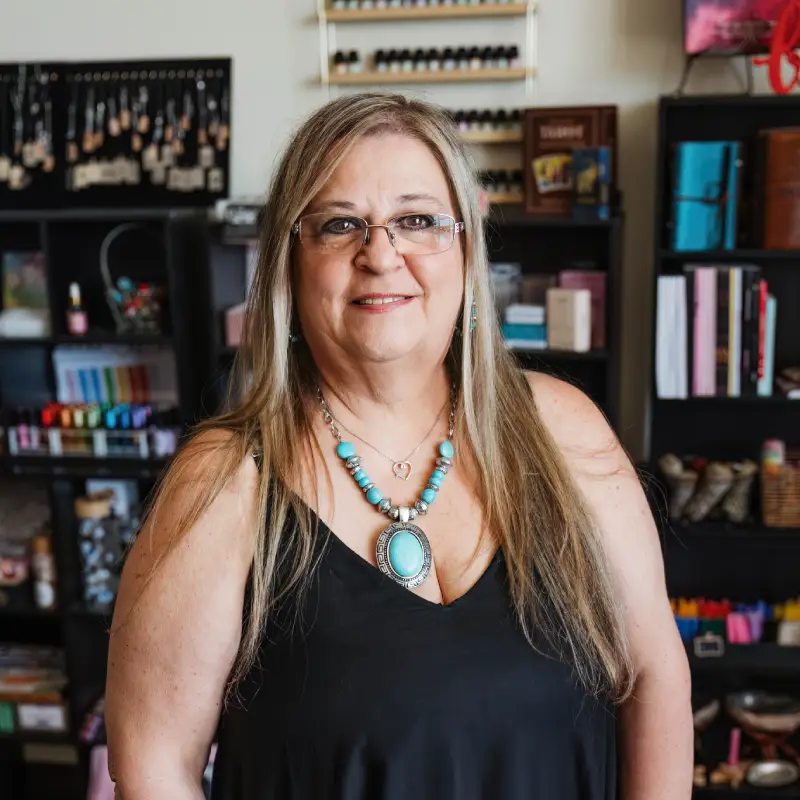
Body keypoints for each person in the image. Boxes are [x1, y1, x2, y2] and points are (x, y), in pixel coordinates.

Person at [105, 92, 692, 800]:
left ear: (466, 250)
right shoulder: (224, 483)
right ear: (290, 264)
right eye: (340, 224)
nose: (381, 253)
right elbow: (153, 764)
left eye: (417, 220)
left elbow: (652, 675)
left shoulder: (564, 431)